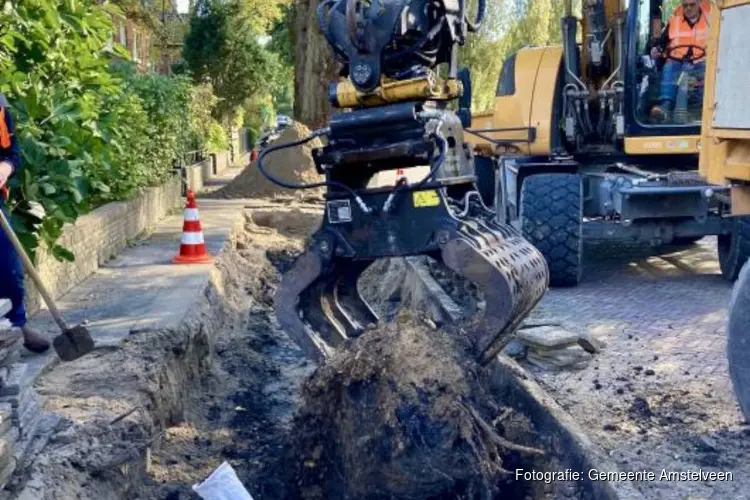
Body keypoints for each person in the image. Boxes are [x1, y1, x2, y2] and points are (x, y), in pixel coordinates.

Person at [0, 93, 50, 354]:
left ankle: (15, 326)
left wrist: (6, 168)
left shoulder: (0, 107)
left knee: (9, 266)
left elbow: (12, 152)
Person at [649, 0, 712, 121]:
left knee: (707, 72)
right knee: (668, 67)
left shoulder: (711, 19)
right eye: (685, 5)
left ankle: (701, 109)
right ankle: (665, 106)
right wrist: (656, 49)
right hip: (677, 61)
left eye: (692, 5)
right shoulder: (674, 20)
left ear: (699, 3)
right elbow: (662, 42)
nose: (688, 8)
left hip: (701, 62)